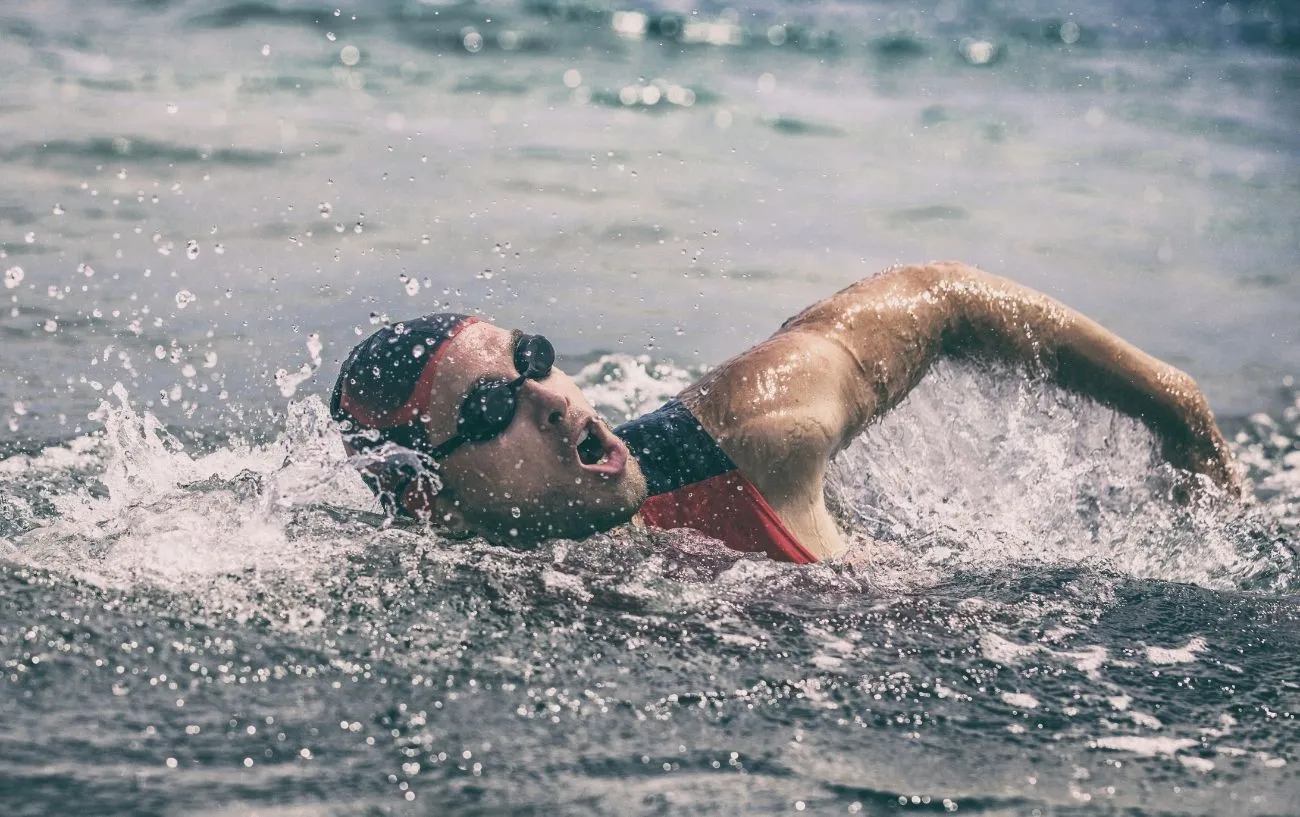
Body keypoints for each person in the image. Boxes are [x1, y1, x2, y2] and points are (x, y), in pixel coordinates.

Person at [330, 261, 1240, 563]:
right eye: (494, 404)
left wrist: (1182, 412)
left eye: (535, 360)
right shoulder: (424, 574)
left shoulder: (746, 439)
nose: (552, 398)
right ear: (430, 503)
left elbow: (939, 298)